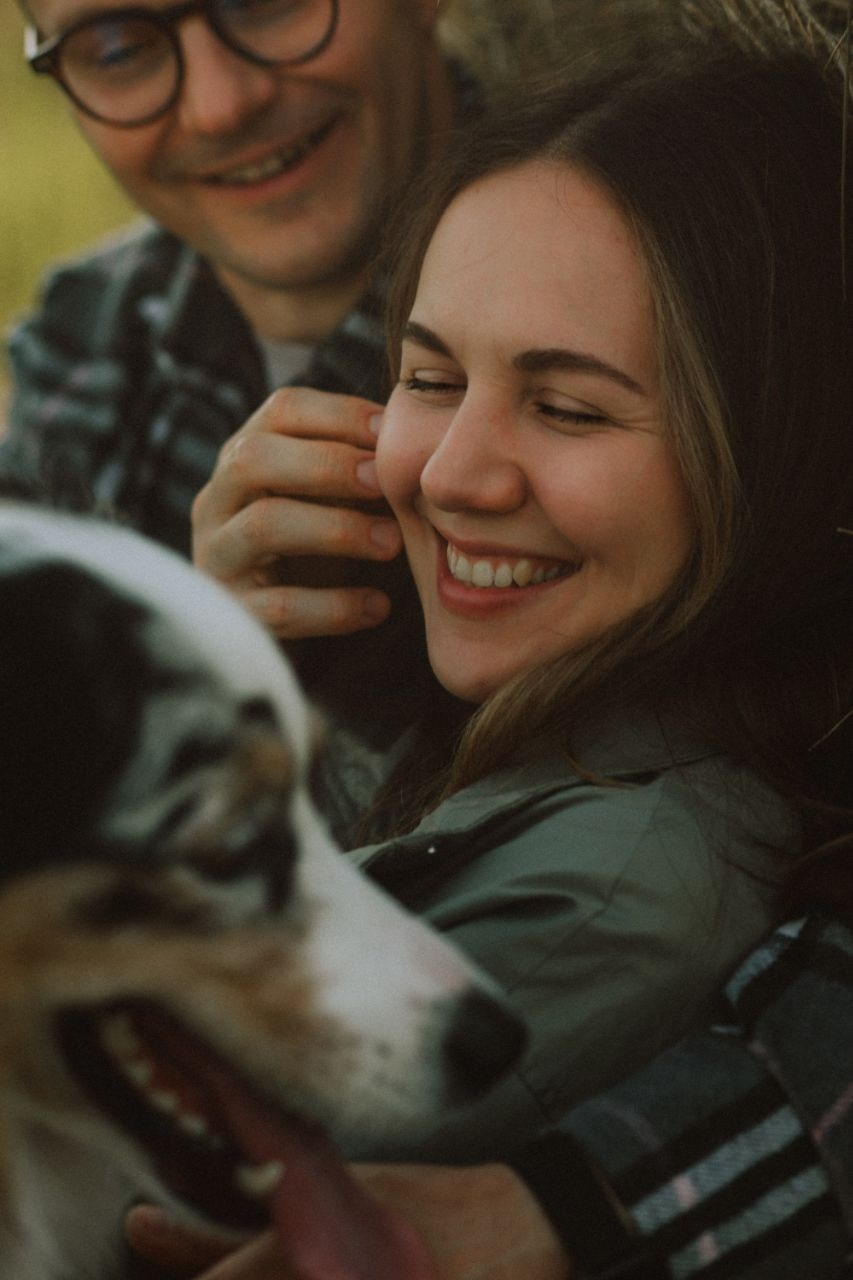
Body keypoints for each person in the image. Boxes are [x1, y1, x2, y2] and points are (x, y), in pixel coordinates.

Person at [126, 5, 853, 1276]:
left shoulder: (620, 892)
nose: (453, 474)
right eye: (430, 377)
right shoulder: (437, 697)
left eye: (568, 406)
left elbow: (88, 1176)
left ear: (774, 466)